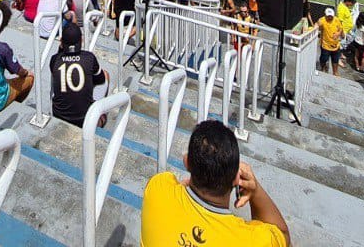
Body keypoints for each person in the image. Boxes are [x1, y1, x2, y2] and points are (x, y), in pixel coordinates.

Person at [140, 119, 289, 247]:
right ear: (237, 179)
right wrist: (255, 191)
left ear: (186, 162)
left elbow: (172, 182)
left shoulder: (157, 190)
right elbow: (283, 234)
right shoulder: (253, 241)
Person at [48, 21, 107, 129]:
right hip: (85, 119)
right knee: (105, 75)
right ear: (81, 40)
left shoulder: (54, 60)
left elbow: (59, 58)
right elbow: (101, 80)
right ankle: (98, 114)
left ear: (61, 42)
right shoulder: (89, 57)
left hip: (59, 116)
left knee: (55, 74)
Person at [316, 7, 342, 76]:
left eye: (331, 16)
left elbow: (340, 29)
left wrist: (338, 33)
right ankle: (323, 69)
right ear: (325, 15)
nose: (330, 17)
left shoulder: (337, 20)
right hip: (325, 45)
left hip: (336, 45)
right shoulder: (322, 20)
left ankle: (335, 72)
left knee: (335, 60)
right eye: (328, 16)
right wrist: (317, 26)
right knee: (323, 59)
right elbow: (316, 26)